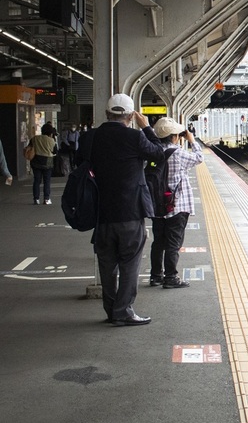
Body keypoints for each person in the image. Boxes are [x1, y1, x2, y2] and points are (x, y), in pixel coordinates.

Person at [78, 94, 165, 326]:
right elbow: (159, 154)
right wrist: (146, 128)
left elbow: (80, 162)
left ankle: (111, 309)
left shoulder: (90, 138)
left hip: (102, 214)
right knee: (129, 263)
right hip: (130, 212)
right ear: (130, 115)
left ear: (107, 113)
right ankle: (123, 310)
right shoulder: (135, 136)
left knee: (107, 265)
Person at [149, 117, 204, 289]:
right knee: (173, 242)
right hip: (176, 204)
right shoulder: (178, 153)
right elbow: (199, 157)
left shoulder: (153, 151)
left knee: (158, 241)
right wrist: (192, 140)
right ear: (174, 136)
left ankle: (156, 276)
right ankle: (171, 277)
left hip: (157, 204)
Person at [26, 123, 56, 204]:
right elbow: (55, 151)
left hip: (36, 161)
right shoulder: (52, 140)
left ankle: (36, 199)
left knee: (37, 180)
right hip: (47, 162)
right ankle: (46, 199)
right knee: (47, 181)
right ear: (50, 132)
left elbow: (29, 147)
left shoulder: (35, 138)